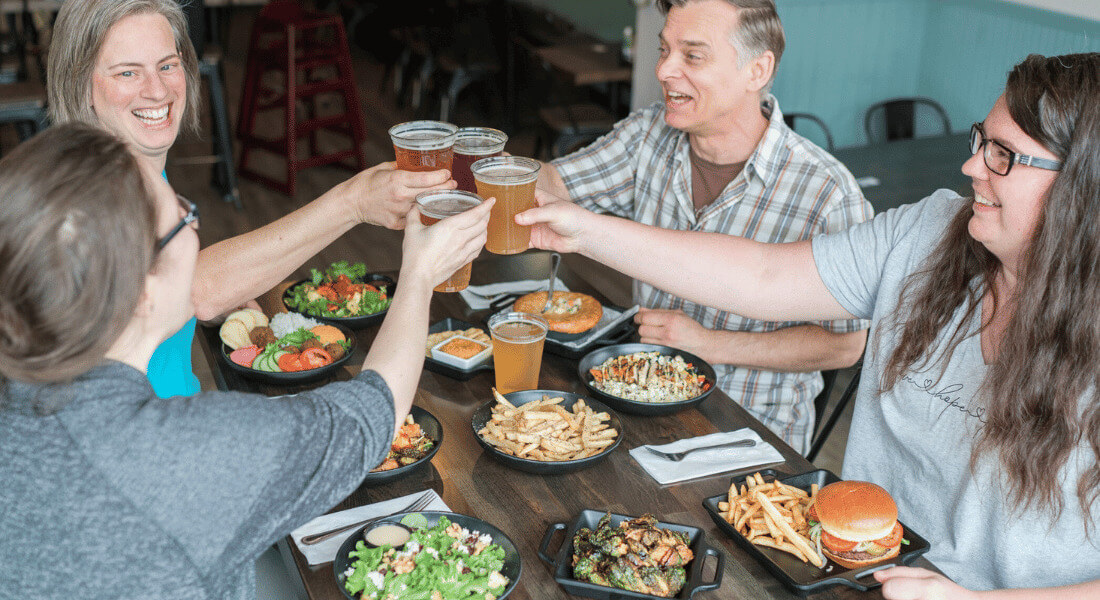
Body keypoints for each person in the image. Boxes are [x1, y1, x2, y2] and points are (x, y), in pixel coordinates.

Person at [519, 52, 1100, 596]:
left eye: (1004, 155)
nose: (973, 164)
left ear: (1082, 185)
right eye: (981, 140)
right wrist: (586, 230)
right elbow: (763, 276)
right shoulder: (928, 231)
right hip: (848, 574)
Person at [0, 123, 492, 598]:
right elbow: (373, 413)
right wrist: (420, 276)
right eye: (184, 217)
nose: (195, 229)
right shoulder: (182, 451)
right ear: (143, 293)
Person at [46, 0, 457, 398]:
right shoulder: (87, 192)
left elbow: (163, 295)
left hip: (173, 420)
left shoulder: (142, 167)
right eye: (127, 73)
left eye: (167, 65)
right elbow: (197, 291)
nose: (157, 90)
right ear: (82, 86)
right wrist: (352, 201)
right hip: (143, 452)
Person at [537, 0, 871, 454]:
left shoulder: (827, 194)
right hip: (636, 405)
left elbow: (845, 346)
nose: (665, 70)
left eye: (692, 56)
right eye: (664, 50)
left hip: (746, 437)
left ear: (757, 70)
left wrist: (711, 344)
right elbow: (558, 179)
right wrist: (479, 173)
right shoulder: (650, 133)